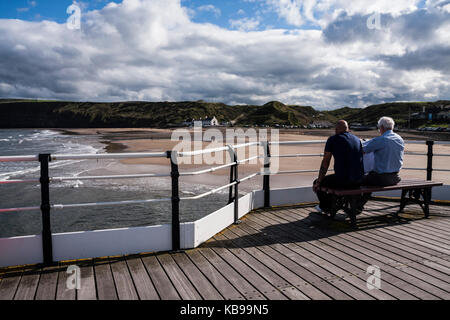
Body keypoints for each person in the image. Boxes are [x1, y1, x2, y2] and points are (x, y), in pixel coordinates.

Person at [313, 120, 364, 214]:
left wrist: (319, 181)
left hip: (344, 180)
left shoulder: (333, 139)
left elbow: (326, 162)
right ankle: (336, 204)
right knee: (335, 181)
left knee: (317, 183)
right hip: (359, 179)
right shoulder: (357, 139)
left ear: (336, 129)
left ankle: (325, 207)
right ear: (347, 129)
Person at [362, 116, 404, 186]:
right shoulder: (400, 139)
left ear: (381, 127)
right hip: (395, 177)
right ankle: (366, 196)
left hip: (380, 178)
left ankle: (359, 197)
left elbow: (363, 150)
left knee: (356, 179)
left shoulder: (382, 139)